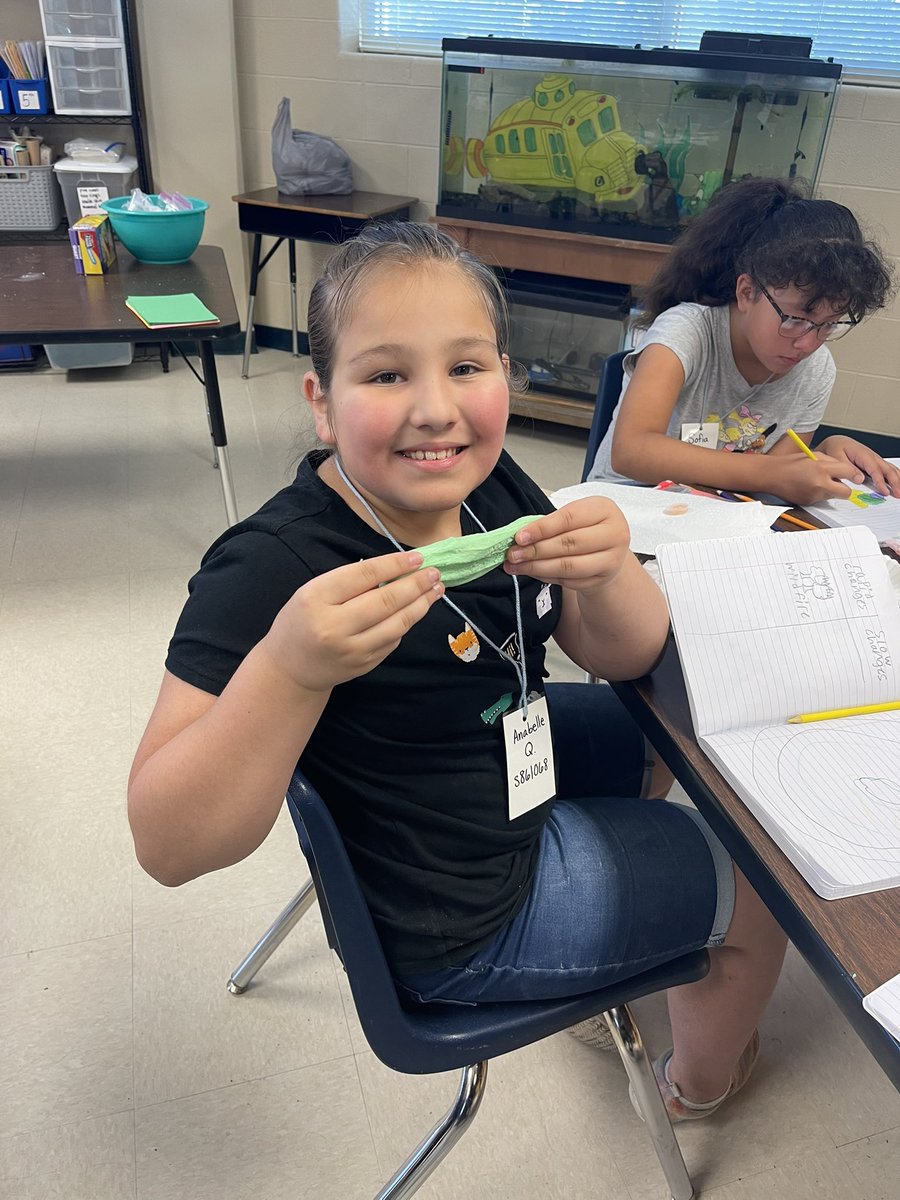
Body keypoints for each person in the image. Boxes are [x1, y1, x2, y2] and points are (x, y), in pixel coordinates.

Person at [128, 221, 787, 1121]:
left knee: (663, 728)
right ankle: (696, 1086)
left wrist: (610, 570)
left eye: (467, 367)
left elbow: (620, 654)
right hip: (463, 918)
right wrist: (288, 668)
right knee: (763, 885)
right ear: (322, 401)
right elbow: (166, 845)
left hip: (488, 781)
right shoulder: (270, 566)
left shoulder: (488, 483)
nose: (436, 409)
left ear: (506, 375)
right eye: (387, 373)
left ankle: (632, 922)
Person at [587, 176, 897, 505]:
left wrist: (822, 453)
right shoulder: (686, 332)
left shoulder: (817, 371)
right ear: (747, 292)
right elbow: (632, 452)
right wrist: (773, 473)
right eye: (794, 320)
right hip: (625, 505)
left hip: (713, 517)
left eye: (829, 325)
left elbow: (772, 481)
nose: (807, 344)